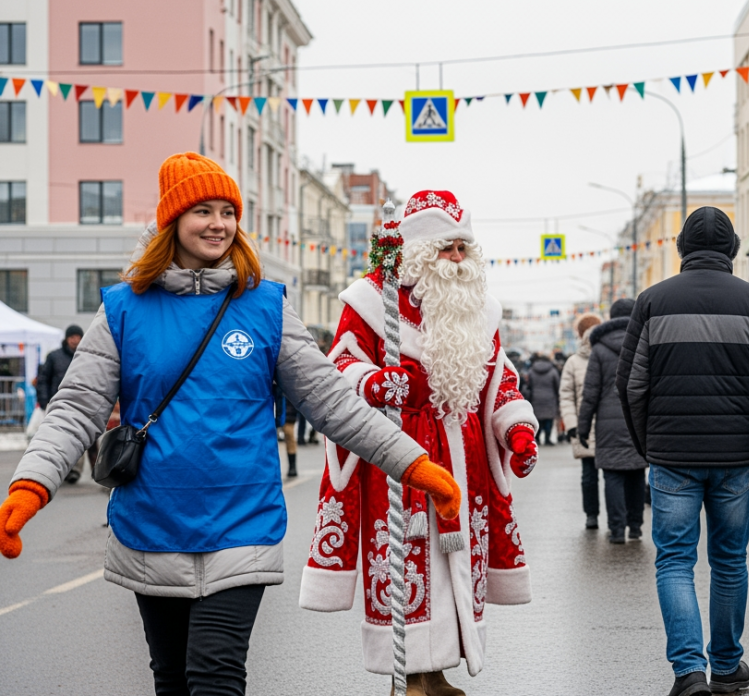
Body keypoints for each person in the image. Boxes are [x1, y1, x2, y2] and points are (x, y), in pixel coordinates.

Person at [0, 152, 461, 696]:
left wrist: (414, 465)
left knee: (215, 675)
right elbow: (77, 406)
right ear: (173, 219)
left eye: (228, 212)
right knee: (172, 679)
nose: (218, 224)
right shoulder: (123, 309)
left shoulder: (265, 305)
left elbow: (332, 402)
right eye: (203, 211)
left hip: (243, 524)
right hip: (152, 523)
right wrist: (31, 485)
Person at [299, 190, 540, 696]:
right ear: (419, 253)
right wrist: (376, 383)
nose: (457, 258)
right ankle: (406, 675)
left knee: (457, 560)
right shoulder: (371, 301)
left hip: (466, 457)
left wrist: (516, 429)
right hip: (398, 451)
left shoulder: (480, 310)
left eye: (463, 248)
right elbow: (339, 365)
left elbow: (499, 380)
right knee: (405, 559)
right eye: (446, 248)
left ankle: (437, 670)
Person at [617, 206, 749, 696]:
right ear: (733, 250)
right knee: (729, 560)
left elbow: (631, 385)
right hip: (737, 459)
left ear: (681, 248)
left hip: (672, 457)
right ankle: (726, 666)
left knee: (674, 560)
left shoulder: (651, 302)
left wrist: (649, 444)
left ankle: (689, 672)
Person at [578, 299, 648, 544]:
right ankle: (635, 526)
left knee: (613, 476)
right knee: (637, 474)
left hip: (608, 425)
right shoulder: (645, 342)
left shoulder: (599, 348)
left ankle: (617, 530)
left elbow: (590, 393)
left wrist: (583, 428)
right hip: (639, 420)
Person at [561, 312, 603, 530]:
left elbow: (566, 396)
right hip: (599, 426)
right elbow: (567, 395)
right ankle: (610, 519)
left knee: (591, 475)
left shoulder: (573, 361)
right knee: (603, 475)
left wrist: (572, 425)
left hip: (588, 425)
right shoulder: (576, 361)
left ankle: (593, 516)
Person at [36, 325, 85, 483]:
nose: (75, 340)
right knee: (57, 439)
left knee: (78, 438)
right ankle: (56, 469)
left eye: (78, 337)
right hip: (57, 403)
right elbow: (43, 380)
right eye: (72, 337)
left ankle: (74, 470)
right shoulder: (54, 357)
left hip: (79, 404)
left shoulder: (86, 357)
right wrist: (44, 401)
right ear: (66, 339)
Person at [528, 352, 560, 446]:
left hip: (536, 398)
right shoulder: (553, 371)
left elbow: (529, 385)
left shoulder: (531, 370)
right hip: (550, 398)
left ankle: (537, 438)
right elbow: (557, 385)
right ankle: (547, 438)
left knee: (537, 419)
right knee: (549, 419)